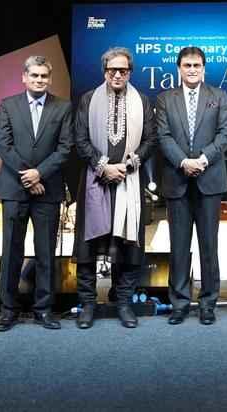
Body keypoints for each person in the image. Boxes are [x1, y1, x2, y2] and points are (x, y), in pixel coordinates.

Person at [72, 47, 156, 329]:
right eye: (112, 70)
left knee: (127, 245)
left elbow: (151, 140)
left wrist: (127, 166)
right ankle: (87, 304)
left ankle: (123, 303)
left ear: (130, 72)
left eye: (123, 70)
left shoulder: (142, 101)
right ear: (104, 71)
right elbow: (80, 138)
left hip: (129, 181)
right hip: (95, 180)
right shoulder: (88, 99)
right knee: (88, 245)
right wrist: (103, 166)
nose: (117, 75)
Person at [0, 55, 74, 331]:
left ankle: (44, 309)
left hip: (47, 189)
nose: (39, 80)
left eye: (44, 76)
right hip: (14, 189)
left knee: (45, 253)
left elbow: (65, 148)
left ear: (50, 79)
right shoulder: (8, 105)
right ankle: (8, 310)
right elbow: (3, 145)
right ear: (24, 78)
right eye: (34, 75)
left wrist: (40, 173)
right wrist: (29, 177)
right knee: (11, 251)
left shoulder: (63, 107)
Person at [155, 47, 227, 325]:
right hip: (177, 181)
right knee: (178, 246)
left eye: (196, 65)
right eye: (187, 65)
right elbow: (163, 136)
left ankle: (208, 303)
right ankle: (179, 303)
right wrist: (183, 162)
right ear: (178, 68)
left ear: (204, 68)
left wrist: (202, 159)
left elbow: (225, 134)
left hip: (209, 180)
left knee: (209, 246)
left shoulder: (218, 96)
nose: (192, 69)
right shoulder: (165, 98)